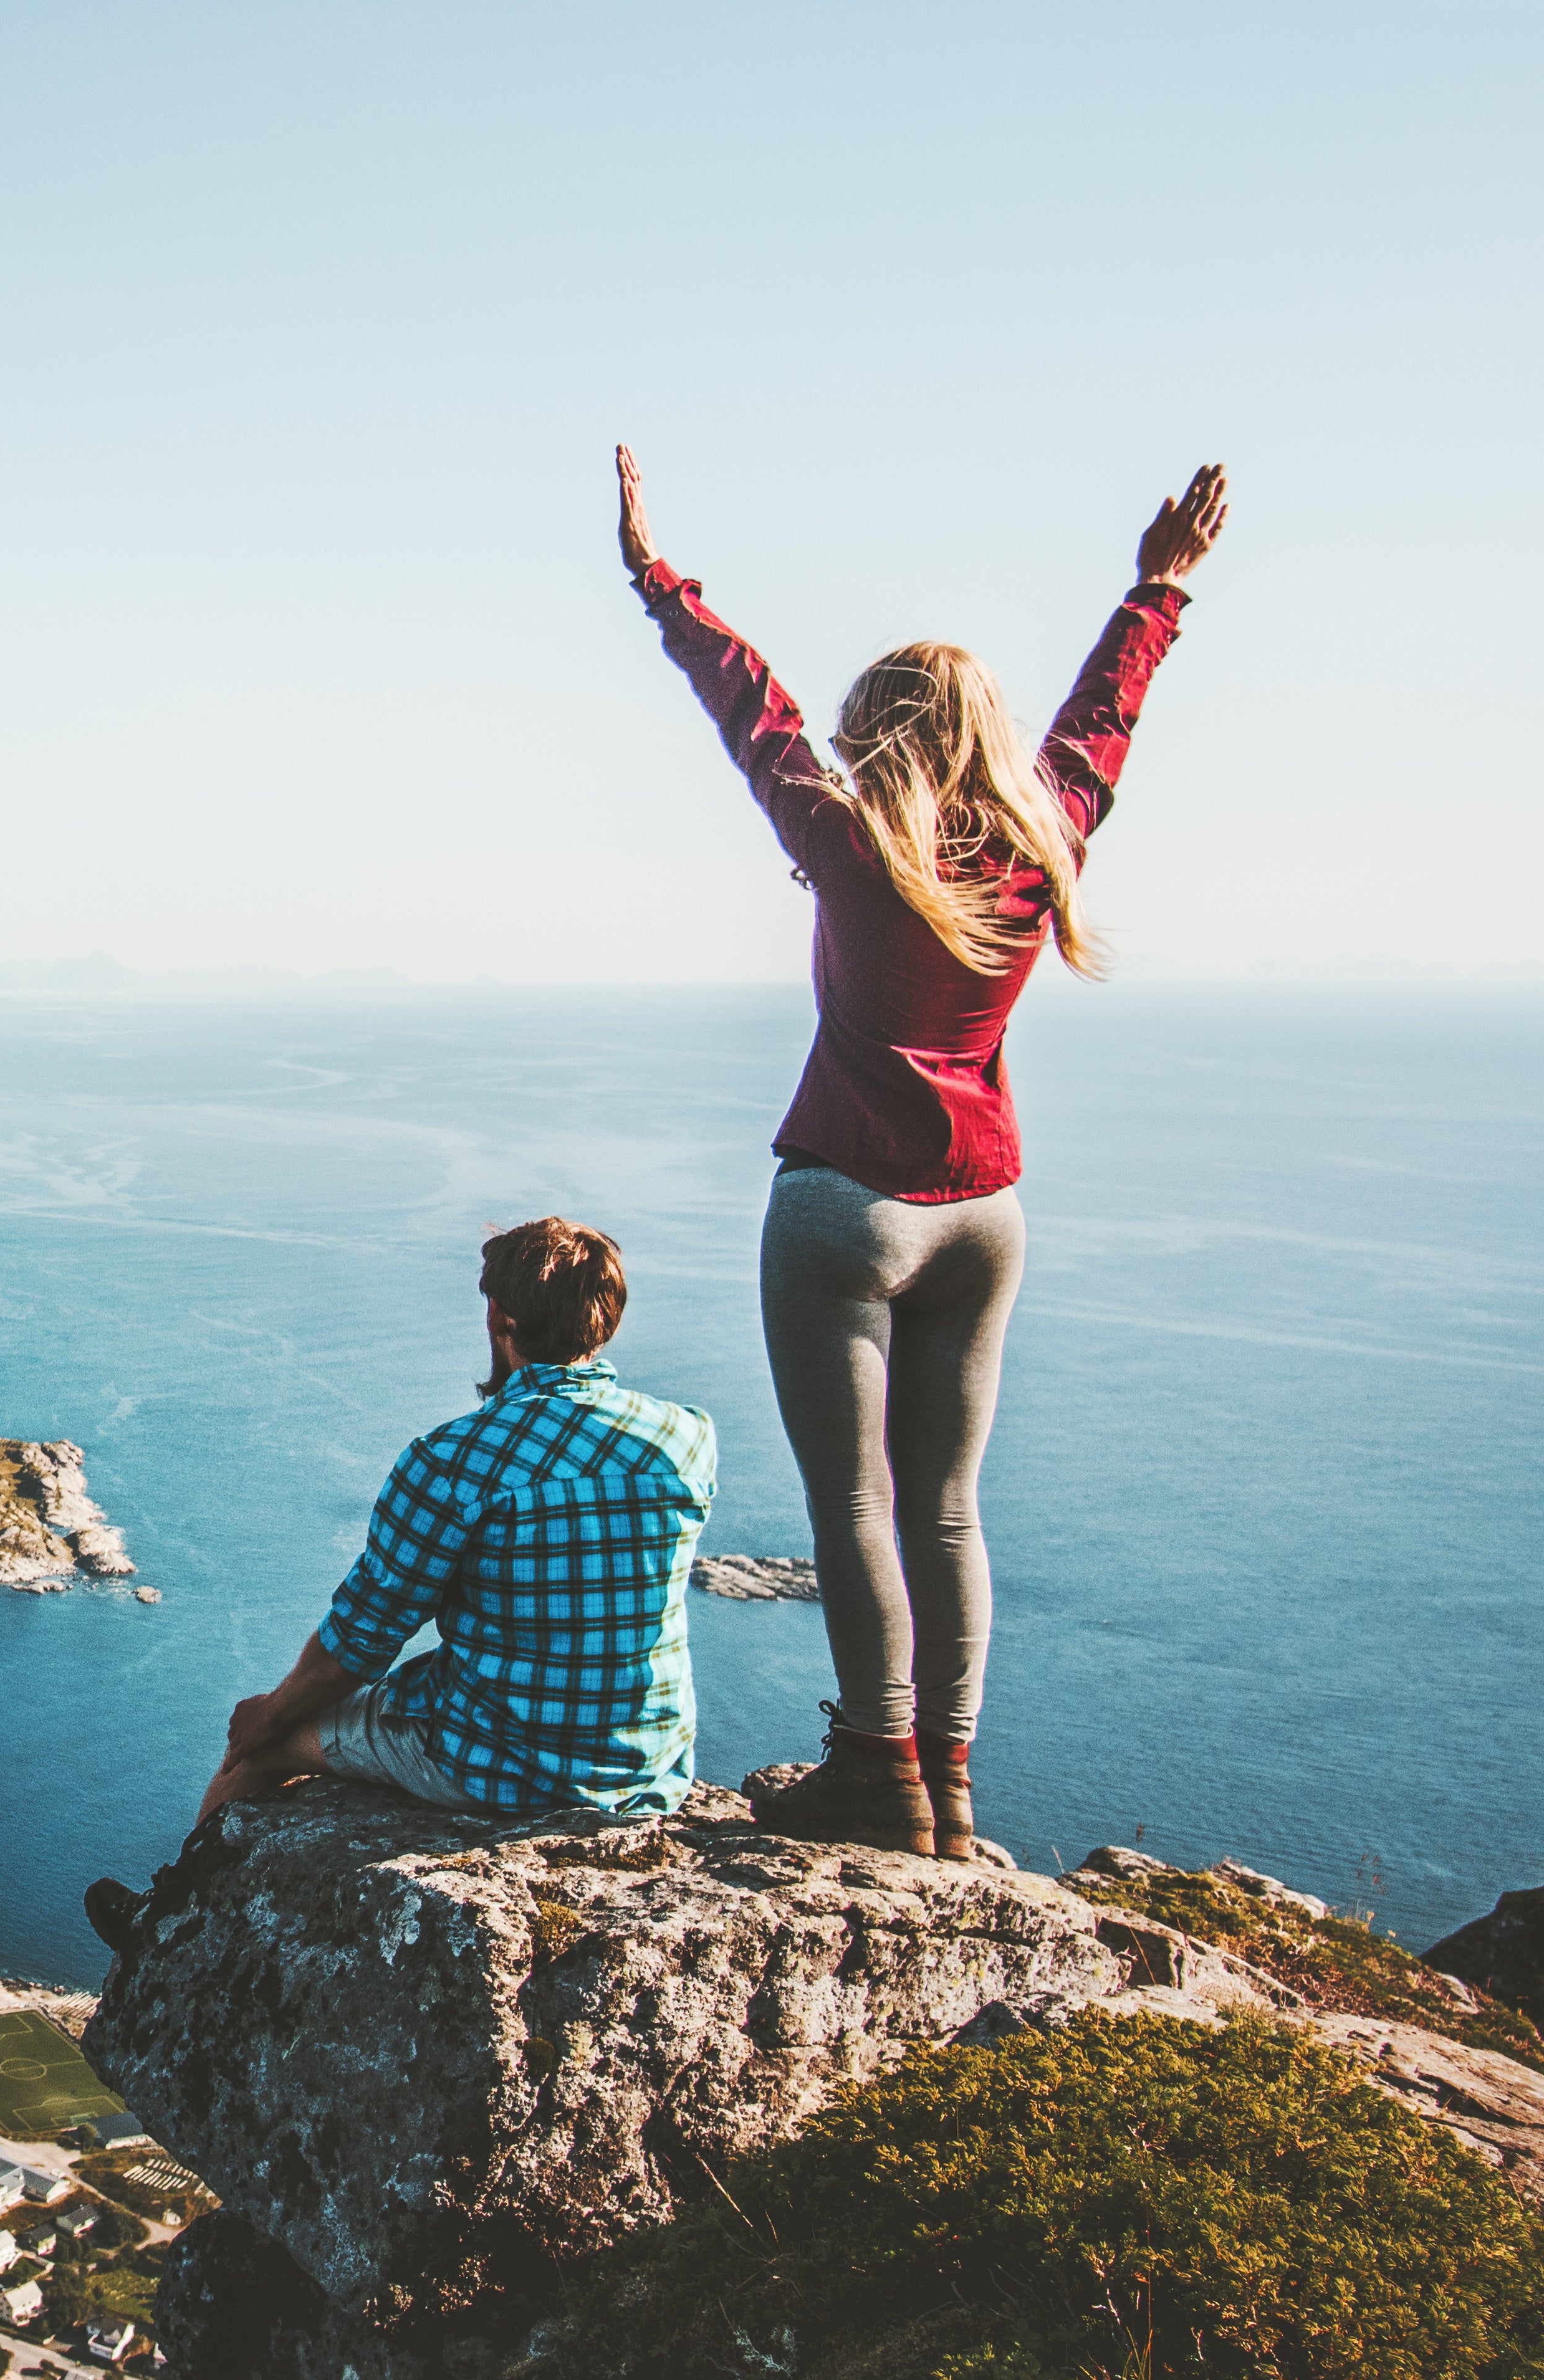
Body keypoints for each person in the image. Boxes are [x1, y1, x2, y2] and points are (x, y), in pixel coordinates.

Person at [613, 447, 1228, 1859]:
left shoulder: (843, 838)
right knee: (946, 1507)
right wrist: (1155, 585)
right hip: (984, 1212)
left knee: (852, 1505)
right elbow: (1101, 720)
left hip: (843, 1204)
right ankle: (946, 1784)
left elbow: (743, 700)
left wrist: (655, 574)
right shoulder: (1042, 839)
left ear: (875, 732)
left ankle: (872, 1772)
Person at [84, 1218, 714, 1954]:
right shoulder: (687, 1437)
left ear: (500, 1319)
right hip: (645, 1764)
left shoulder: (454, 1459)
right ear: (607, 1318)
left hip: (501, 1759)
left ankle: (165, 1932)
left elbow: (364, 1638)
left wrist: (269, 1714)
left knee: (260, 1755)